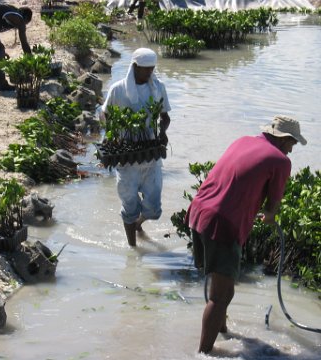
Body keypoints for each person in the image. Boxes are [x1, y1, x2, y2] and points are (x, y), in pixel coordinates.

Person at [185, 115, 307, 353]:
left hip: (198, 212)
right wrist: (269, 216)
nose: (292, 149)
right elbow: (272, 207)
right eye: (293, 143)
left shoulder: (243, 140)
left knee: (221, 290)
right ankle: (204, 354)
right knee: (221, 296)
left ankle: (222, 332)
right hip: (222, 223)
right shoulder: (280, 160)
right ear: (284, 139)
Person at [101, 48, 171, 246]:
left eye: (152, 69)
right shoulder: (118, 89)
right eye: (145, 69)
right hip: (126, 156)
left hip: (150, 154)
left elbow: (165, 116)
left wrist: (162, 132)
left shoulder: (158, 88)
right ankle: (133, 249)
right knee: (129, 205)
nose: (149, 73)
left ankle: (139, 224)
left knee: (154, 209)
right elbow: (105, 113)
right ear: (134, 67)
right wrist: (110, 134)